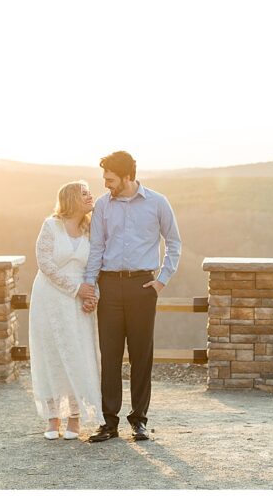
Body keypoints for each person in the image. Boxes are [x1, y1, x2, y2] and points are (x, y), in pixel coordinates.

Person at [80, 151, 182, 443]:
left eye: (110, 178)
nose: (105, 183)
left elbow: (174, 243)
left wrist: (161, 281)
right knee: (109, 356)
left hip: (142, 286)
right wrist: (90, 285)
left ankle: (139, 421)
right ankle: (108, 423)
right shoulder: (102, 205)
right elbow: (96, 248)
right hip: (109, 286)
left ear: (126, 176)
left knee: (141, 355)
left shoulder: (158, 203)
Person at [28, 180, 105, 440]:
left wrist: (91, 294)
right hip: (49, 298)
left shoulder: (90, 229)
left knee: (77, 352)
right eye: (84, 193)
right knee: (51, 354)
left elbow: (95, 264)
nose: (90, 196)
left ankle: (75, 417)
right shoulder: (51, 226)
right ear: (71, 198)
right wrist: (75, 289)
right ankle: (53, 418)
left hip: (79, 302)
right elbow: (45, 264)